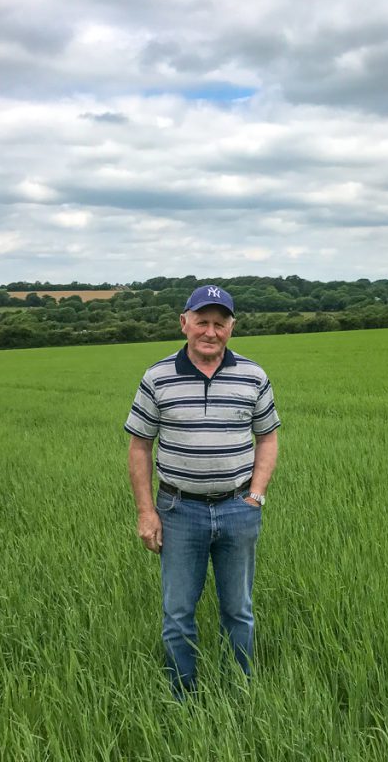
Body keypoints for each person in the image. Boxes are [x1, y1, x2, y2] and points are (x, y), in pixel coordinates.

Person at [124, 284, 280, 697]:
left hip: (237, 508)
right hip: (178, 510)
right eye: (202, 322)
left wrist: (256, 495)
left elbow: (268, 437)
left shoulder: (253, 375)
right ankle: (183, 697)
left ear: (231, 327)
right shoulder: (157, 377)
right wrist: (146, 512)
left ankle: (240, 694)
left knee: (238, 611)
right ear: (184, 323)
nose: (210, 331)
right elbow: (140, 445)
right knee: (177, 613)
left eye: (219, 323)